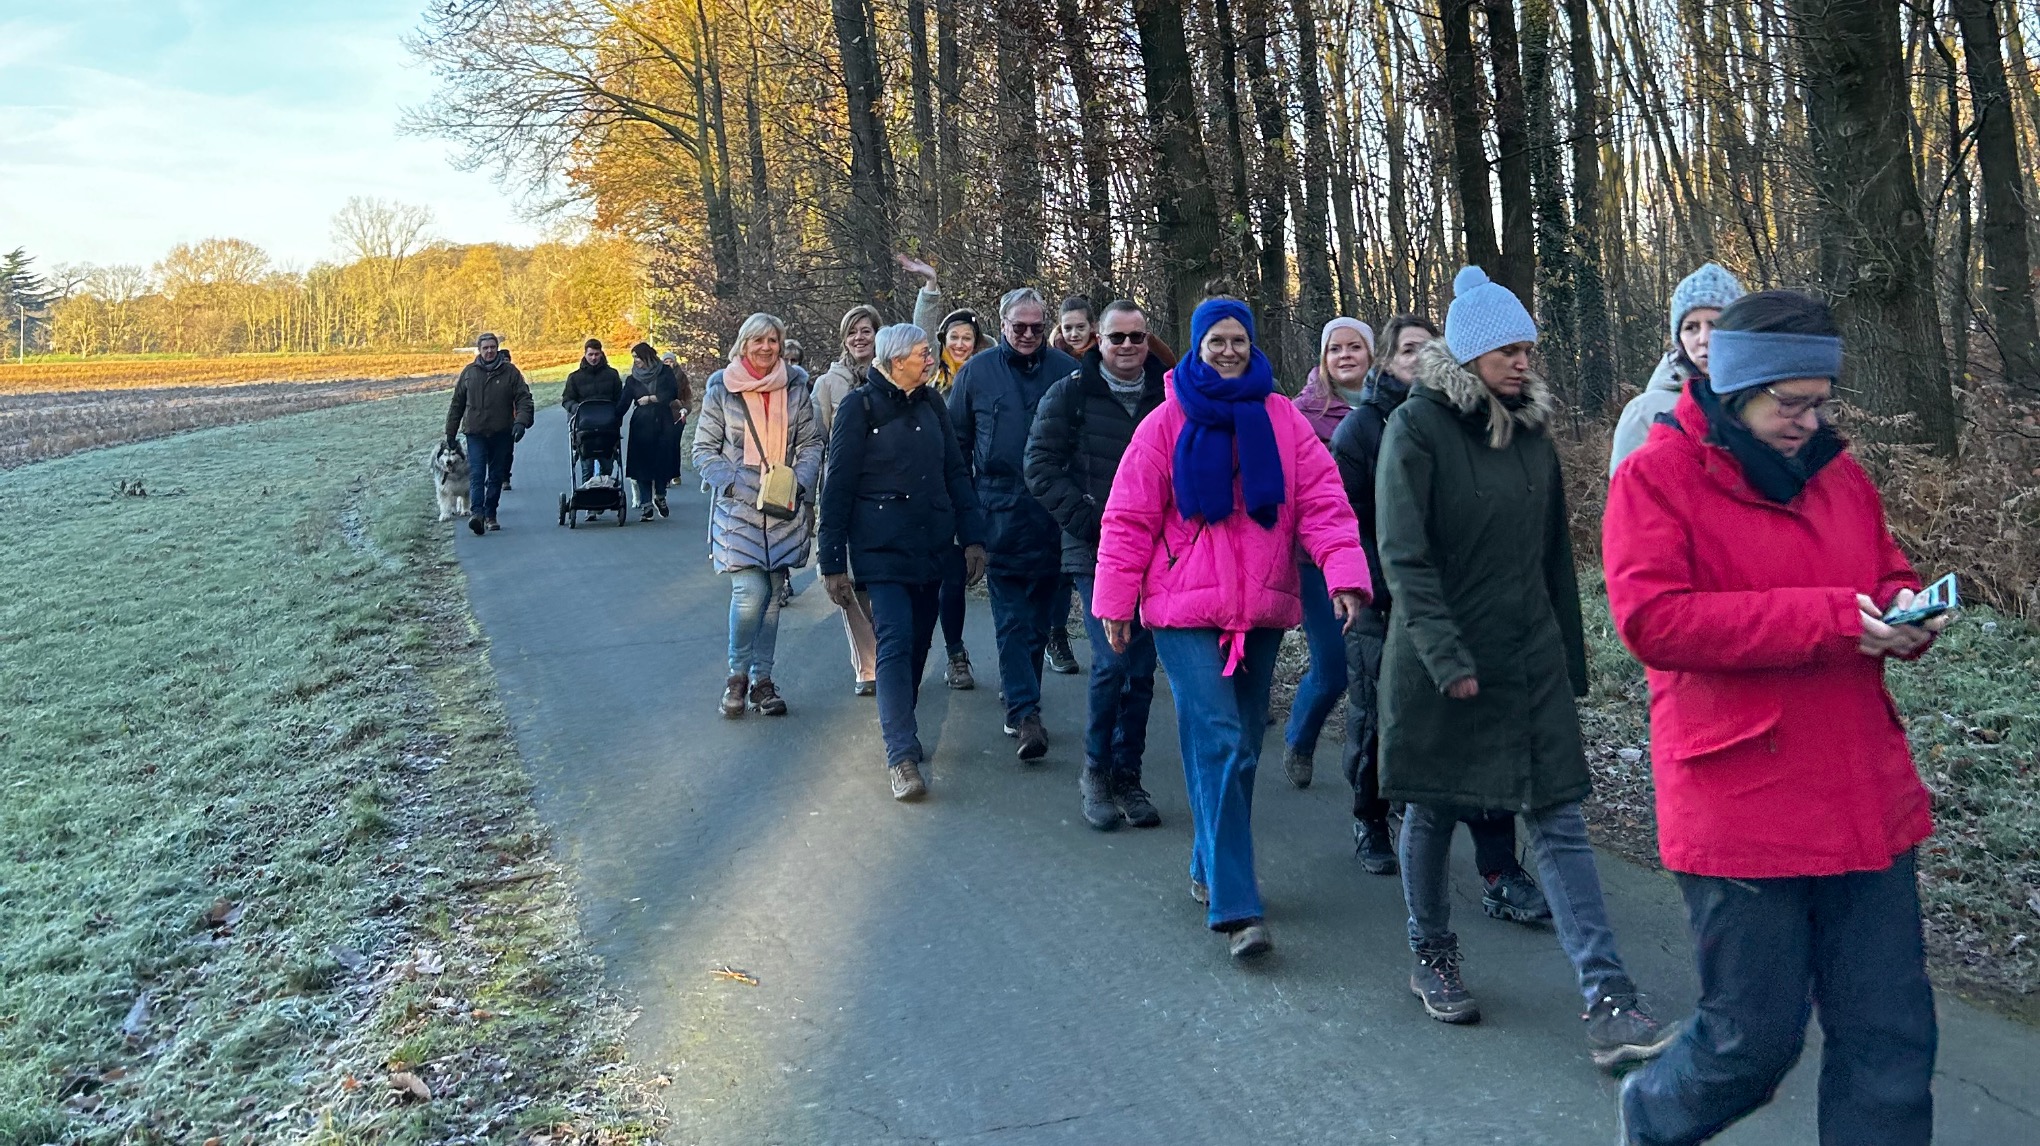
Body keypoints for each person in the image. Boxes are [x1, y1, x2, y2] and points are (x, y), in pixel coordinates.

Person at [1604, 291, 1942, 1145]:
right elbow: (1654, 621)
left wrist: (1906, 613)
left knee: (1891, 1044)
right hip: (1740, 801)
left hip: (1863, 792)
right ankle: (1651, 1113)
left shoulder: (1842, 476)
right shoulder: (1656, 476)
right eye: (1787, 403)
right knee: (1751, 1045)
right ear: (1733, 388)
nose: (1807, 420)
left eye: (1820, 401)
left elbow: (1885, 569)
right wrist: (1831, 618)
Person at [1375, 266, 1673, 1067]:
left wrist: (1566, 663)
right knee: (1434, 808)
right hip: (1443, 658)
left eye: (1529, 347)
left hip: (1529, 656)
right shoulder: (1417, 429)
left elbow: (1551, 561)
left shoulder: (1533, 433)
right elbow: (1404, 556)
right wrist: (1445, 655)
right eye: (1509, 348)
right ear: (1469, 354)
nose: (1523, 361)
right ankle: (1432, 952)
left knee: (1560, 818)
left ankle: (1608, 998)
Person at [1094, 297, 1372, 960]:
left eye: (1237, 341)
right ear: (1196, 346)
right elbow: (1128, 517)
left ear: (1251, 345)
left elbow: (1325, 504)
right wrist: (1115, 600)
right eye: (1215, 340)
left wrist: (1344, 574)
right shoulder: (1166, 421)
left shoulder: (1280, 419)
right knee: (1219, 738)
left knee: (1243, 742)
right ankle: (1237, 904)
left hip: (1263, 605)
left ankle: (1207, 860)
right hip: (1182, 609)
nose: (1227, 351)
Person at [1330, 316, 1549, 919]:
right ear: (1386, 362)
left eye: (1430, 349)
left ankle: (1500, 870)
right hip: (1385, 607)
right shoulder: (1360, 432)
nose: (1418, 358)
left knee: (1484, 739)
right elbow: (1354, 525)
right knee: (1379, 725)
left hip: (1464, 610)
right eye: (1407, 351)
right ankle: (1370, 818)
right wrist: (1381, 590)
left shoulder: (1471, 422)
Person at [821, 324, 989, 800]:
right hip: (879, 548)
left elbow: (956, 472)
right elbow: (838, 487)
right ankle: (901, 755)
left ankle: (904, 725)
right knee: (894, 641)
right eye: (922, 353)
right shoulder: (860, 407)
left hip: (933, 544)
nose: (930, 359)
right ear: (895, 360)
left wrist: (972, 537)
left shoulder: (933, 404)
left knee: (918, 642)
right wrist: (832, 561)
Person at [1025, 299, 1168, 831]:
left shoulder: (1170, 394)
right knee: (1111, 660)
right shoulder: (1070, 394)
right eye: (1116, 338)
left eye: (1136, 337)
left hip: (1158, 552)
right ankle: (1095, 770)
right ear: (1097, 343)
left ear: (1147, 339)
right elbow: (1039, 466)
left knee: (1141, 670)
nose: (1127, 347)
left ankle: (1128, 774)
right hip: (1095, 550)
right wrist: (1088, 520)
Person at [951, 287, 1081, 760]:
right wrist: (964, 521)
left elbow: (1085, 442)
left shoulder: (1068, 372)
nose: (1027, 335)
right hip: (997, 509)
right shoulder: (976, 374)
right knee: (1010, 617)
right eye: (1018, 327)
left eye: (1036, 327)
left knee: (1043, 619)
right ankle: (1026, 713)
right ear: (1002, 325)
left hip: (1054, 513)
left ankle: (1020, 693)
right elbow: (956, 447)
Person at [693, 313, 823, 719]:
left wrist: (798, 484)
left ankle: (763, 682)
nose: (766, 348)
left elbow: (811, 443)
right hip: (738, 511)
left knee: (771, 602)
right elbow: (703, 450)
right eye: (758, 341)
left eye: (773, 341)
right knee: (750, 594)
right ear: (743, 344)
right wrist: (731, 483)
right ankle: (737, 676)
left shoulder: (797, 387)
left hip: (783, 509)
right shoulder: (721, 388)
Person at [1278, 317, 1371, 791]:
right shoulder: (1301, 414)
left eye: (1355, 347)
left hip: (1375, 556)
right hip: (1317, 561)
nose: (1345, 355)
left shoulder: (1393, 409)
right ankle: (1300, 738)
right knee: (1334, 665)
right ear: (1323, 358)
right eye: (1335, 348)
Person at [899, 252, 991, 688]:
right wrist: (930, 287)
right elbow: (917, 331)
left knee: (953, 580)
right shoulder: (927, 378)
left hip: (965, 489)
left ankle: (956, 654)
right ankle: (913, 655)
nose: (960, 343)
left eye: (967, 337)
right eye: (953, 336)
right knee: (924, 582)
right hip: (924, 491)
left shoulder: (986, 377)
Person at [1609, 262, 1746, 476]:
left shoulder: (1767, 401)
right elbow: (1628, 500)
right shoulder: (1645, 413)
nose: (1704, 339)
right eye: (1691, 327)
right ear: (1679, 339)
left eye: (1716, 325)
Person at [815, 305, 884, 694]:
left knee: (880, 581)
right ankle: (867, 664)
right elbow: (818, 439)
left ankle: (889, 654)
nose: (859, 338)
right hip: (846, 494)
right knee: (850, 583)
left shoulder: (893, 375)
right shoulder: (828, 384)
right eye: (852, 332)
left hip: (886, 493)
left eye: (866, 331)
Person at [444, 331, 533, 536]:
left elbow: (524, 398)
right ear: (479, 350)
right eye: (486, 348)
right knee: (477, 473)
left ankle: (490, 513)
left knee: (495, 475)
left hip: (502, 432)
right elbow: (457, 404)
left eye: (493, 347)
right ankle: (477, 513)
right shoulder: (469, 373)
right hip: (475, 432)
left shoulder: (510, 372)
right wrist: (451, 432)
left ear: (497, 349)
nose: (490, 351)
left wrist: (520, 422)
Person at [623, 341, 689, 521]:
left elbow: (672, 393)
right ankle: (646, 506)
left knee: (660, 463)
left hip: (662, 423)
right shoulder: (632, 378)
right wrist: (611, 419)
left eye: (638, 357)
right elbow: (624, 402)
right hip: (641, 426)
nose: (635, 361)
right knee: (642, 466)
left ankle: (660, 496)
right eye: (634, 357)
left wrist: (652, 398)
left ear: (647, 357)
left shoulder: (664, 373)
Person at [562, 339, 625, 517]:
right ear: (585, 354)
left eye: (597, 354)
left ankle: (606, 494)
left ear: (601, 353)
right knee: (586, 466)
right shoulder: (575, 377)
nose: (594, 358)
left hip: (607, 429)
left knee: (607, 464)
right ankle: (589, 504)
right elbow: (567, 400)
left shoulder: (612, 375)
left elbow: (619, 398)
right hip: (585, 429)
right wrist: (578, 410)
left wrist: (616, 414)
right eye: (590, 354)